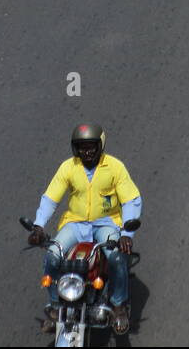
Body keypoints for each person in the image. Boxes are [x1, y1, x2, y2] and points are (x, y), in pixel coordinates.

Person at [27, 124, 142, 336]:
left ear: (101, 146)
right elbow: (51, 197)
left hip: (106, 224)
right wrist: (38, 226)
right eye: (82, 148)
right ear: (75, 149)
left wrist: (126, 234)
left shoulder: (115, 167)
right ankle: (54, 306)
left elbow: (131, 200)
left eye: (91, 147)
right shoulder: (69, 167)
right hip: (75, 224)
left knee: (116, 258)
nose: (87, 152)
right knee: (52, 256)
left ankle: (118, 306)